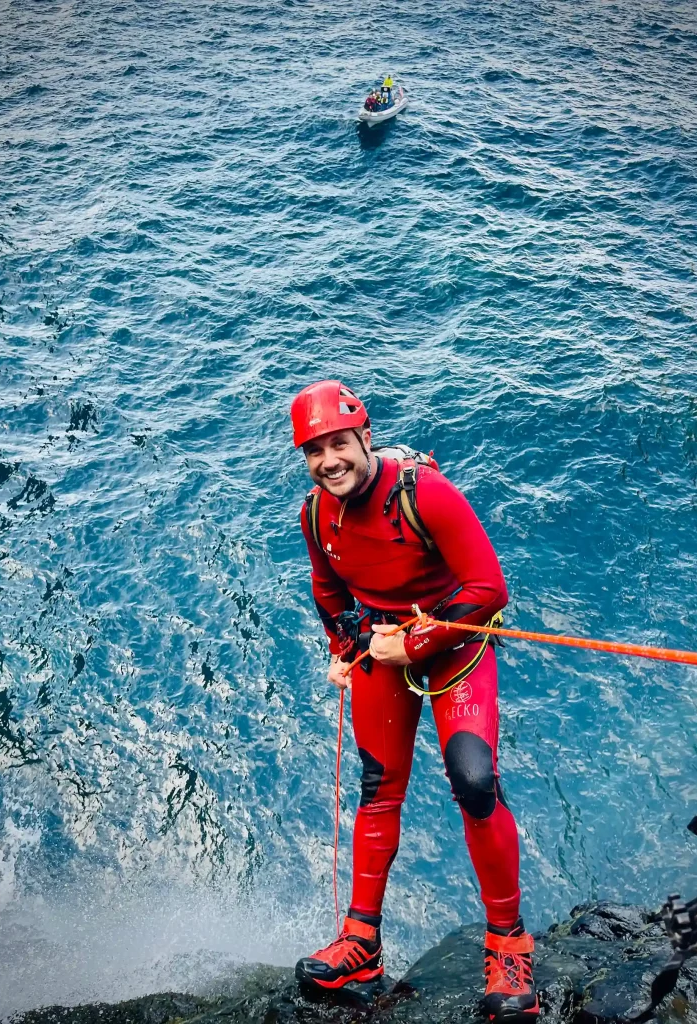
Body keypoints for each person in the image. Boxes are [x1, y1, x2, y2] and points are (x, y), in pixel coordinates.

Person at [290, 380, 538, 1022]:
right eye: (315, 452)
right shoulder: (316, 514)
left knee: (475, 783)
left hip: (455, 646)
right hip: (385, 651)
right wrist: (348, 649)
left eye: (339, 444)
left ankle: (509, 951)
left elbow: (488, 589)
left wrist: (418, 639)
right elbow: (329, 595)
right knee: (378, 790)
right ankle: (361, 945)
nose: (329, 462)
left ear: (364, 438)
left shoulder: (424, 495)